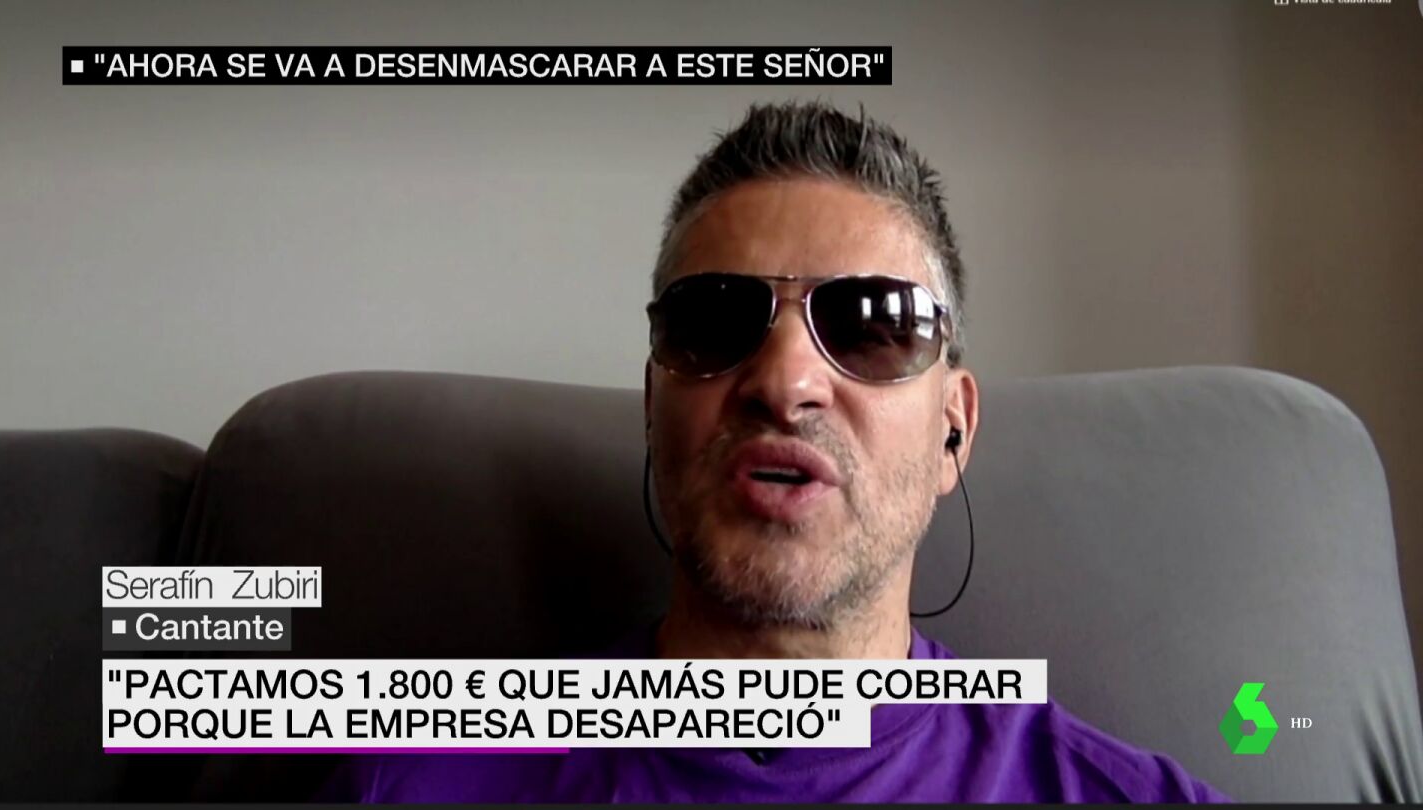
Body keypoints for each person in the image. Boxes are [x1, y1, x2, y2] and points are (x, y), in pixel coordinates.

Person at [325, 100, 1228, 803]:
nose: (785, 381)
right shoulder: (412, 782)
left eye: (872, 325)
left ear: (953, 430)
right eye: (714, 321)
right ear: (654, 408)